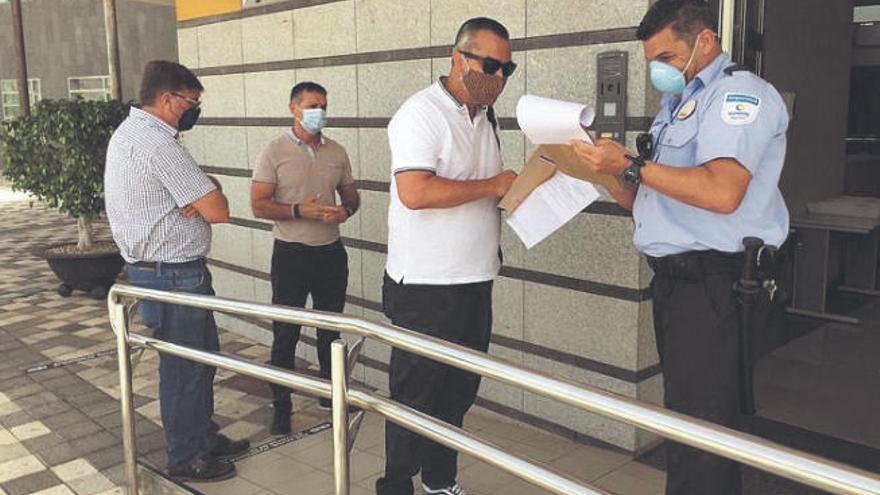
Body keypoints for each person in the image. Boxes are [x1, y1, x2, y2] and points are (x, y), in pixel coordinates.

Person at [570, 1, 789, 494]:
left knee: (701, 430)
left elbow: (720, 191)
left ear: (706, 42)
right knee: (688, 422)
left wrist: (629, 162)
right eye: (654, 61)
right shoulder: (679, 105)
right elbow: (644, 199)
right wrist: (601, 168)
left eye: (668, 57)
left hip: (715, 284)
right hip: (676, 284)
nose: (659, 72)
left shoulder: (737, 95)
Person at [376, 17, 518, 495]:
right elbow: (414, 191)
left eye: (508, 69)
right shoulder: (421, 113)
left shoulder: (484, 117)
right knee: (415, 396)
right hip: (425, 286)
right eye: (490, 65)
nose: (498, 77)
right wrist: (492, 186)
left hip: (474, 280)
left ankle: (441, 482)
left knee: (457, 393)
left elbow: (483, 193)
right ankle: (396, 485)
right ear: (458, 58)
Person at [104, 60, 249, 481]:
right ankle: (186, 455)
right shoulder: (158, 144)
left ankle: (201, 436)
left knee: (201, 359)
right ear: (168, 99)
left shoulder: (131, 134)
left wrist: (203, 189)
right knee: (186, 366)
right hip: (172, 273)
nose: (194, 110)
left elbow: (206, 197)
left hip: (162, 269)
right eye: (191, 102)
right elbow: (218, 210)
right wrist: (206, 191)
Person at [250, 81, 359, 435]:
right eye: (313, 106)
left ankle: (331, 394)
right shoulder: (274, 151)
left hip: (330, 253)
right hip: (291, 255)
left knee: (331, 330)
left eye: (324, 106)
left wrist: (345, 212)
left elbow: (352, 198)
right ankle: (282, 406)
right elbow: (258, 205)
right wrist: (299, 210)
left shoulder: (337, 152)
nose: (320, 113)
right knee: (286, 333)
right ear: (294, 108)